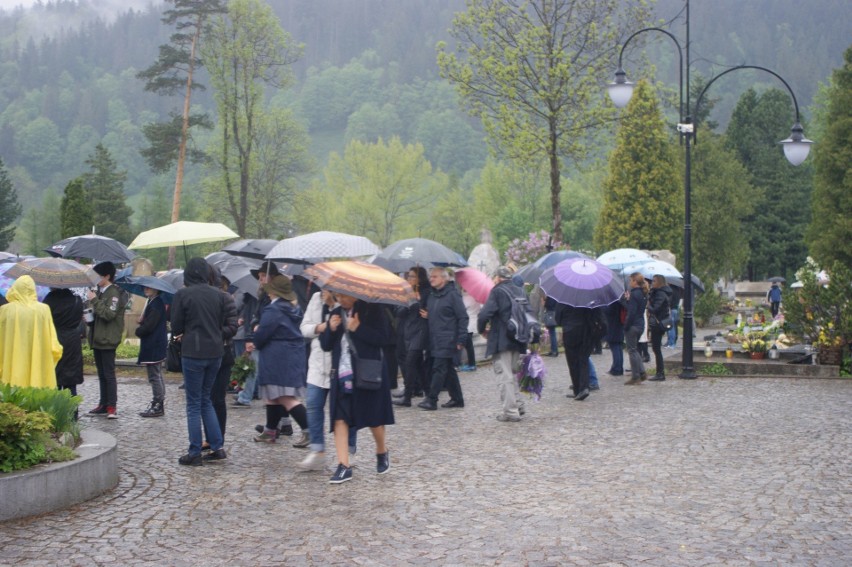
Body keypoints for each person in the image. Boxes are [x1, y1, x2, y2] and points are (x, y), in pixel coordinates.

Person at [321, 293, 394, 484]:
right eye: (338, 296)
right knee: (339, 418)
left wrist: (358, 328)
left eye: (345, 296)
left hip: (366, 373)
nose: (341, 300)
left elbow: (384, 338)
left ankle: (381, 451)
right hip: (342, 374)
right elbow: (326, 345)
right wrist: (330, 328)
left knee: (374, 419)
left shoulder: (372, 310)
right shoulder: (336, 312)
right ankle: (343, 466)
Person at [170, 258, 228, 466]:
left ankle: (194, 451)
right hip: (215, 352)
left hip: (193, 352)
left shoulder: (182, 295)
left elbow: (176, 326)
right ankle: (217, 446)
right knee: (206, 399)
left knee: (194, 403)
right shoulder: (219, 295)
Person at [298, 288, 357, 471]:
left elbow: (349, 329)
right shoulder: (316, 299)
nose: (324, 290)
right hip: (317, 362)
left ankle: (349, 449)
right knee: (314, 404)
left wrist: (334, 306)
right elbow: (304, 327)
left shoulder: (348, 300)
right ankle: (318, 450)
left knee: (345, 409)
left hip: (340, 364)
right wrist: (320, 327)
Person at [251, 275, 310, 446]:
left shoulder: (273, 310)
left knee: (285, 397)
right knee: (273, 396)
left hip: (277, 357)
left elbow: (263, 334)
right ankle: (270, 430)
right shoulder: (294, 308)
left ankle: (310, 430)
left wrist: (257, 330)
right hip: (290, 355)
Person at [477, 266, 527, 422]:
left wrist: (481, 329)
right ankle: (518, 405)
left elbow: (485, 313)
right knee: (512, 374)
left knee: (504, 376)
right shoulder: (520, 291)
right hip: (519, 338)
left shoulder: (497, 291)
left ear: (497, 278)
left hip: (502, 339)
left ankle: (511, 412)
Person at [417, 267, 467, 411]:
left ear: (444, 278)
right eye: (430, 276)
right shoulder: (433, 295)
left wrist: (461, 339)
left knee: (439, 368)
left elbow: (462, 317)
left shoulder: (453, 295)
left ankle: (432, 399)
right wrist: (429, 315)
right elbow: (441, 314)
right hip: (434, 338)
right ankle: (457, 399)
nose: (431, 278)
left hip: (448, 338)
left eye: (435, 276)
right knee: (448, 370)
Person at [0, 276, 62, 388]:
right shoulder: (44, 309)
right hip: (38, 355)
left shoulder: (5, 310)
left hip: (12, 357)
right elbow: (52, 339)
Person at [86, 261, 127, 419]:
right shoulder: (102, 291)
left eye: (98, 276)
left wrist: (95, 300)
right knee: (101, 374)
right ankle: (103, 403)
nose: (95, 279)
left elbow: (109, 315)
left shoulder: (114, 293)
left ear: (107, 276)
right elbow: (99, 314)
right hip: (98, 338)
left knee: (109, 374)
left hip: (108, 339)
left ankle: (112, 406)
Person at [204, 268, 238, 444]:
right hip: (204, 353)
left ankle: (218, 439)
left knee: (217, 398)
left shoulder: (225, 298)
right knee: (207, 398)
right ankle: (210, 437)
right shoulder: (203, 297)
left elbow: (232, 327)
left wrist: (214, 331)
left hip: (223, 354)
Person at [393, 267, 431, 407]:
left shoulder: (427, 292)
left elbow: (431, 310)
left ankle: (407, 396)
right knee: (419, 365)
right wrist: (409, 301)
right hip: (409, 332)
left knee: (410, 362)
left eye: (413, 277)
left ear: (420, 278)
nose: (409, 279)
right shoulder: (407, 293)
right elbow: (399, 312)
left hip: (421, 331)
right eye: (408, 276)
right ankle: (429, 394)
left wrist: (420, 302)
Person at [555, 302, 604, 401]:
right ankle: (584, 387)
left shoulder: (564, 299)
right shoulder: (588, 298)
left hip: (570, 331)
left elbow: (558, 318)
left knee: (572, 362)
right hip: (586, 331)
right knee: (583, 359)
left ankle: (577, 389)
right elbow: (597, 314)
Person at [43, 288, 84, 405]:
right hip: (73, 340)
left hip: (54, 337)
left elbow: (45, 318)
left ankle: (55, 411)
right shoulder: (77, 299)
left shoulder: (50, 299)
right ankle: (72, 412)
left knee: (54, 377)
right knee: (71, 381)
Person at [135, 286, 168, 417]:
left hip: (154, 343)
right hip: (155, 343)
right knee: (157, 374)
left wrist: (139, 330)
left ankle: (158, 404)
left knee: (155, 375)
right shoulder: (152, 302)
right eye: (144, 287)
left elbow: (150, 326)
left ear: (156, 289)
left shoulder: (156, 304)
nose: (145, 289)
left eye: (149, 288)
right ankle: (158, 403)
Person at [622, 272, 649, 385]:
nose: (629, 283)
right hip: (640, 324)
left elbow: (632, 312)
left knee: (631, 350)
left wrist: (626, 325)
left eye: (630, 280)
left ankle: (636, 375)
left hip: (633, 325)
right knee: (635, 349)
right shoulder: (643, 293)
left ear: (635, 281)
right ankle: (642, 372)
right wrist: (628, 301)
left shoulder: (634, 294)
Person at [647, 275, 673, 382]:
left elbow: (656, 308)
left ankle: (660, 373)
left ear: (660, 282)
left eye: (654, 281)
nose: (652, 283)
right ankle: (659, 372)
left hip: (658, 323)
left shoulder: (661, 294)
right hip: (657, 322)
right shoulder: (656, 292)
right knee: (655, 348)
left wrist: (648, 305)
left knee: (656, 348)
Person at [456, 287, 480, 371]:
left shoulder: (466, 298)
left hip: (468, 324)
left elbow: (461, 309)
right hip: (473, 323)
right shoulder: (475, 297)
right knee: (469, 345)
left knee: (468, 345)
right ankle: (471, 363)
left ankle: (471, 364)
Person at [604, 301, 625, 376]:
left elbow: (608, 311)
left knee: (615, 347)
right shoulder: (619, 301)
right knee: (618, 347)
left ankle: (617, 369)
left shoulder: (613, 302)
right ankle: (619, 367)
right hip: (618, 326)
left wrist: (602, 306)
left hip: (613, 326)